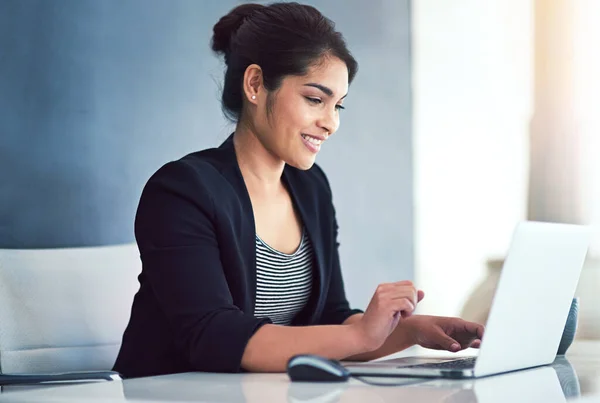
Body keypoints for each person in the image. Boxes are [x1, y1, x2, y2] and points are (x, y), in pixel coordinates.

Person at [113, 2, 484, 378]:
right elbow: (213, 336)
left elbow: (331, 321)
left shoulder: (311, 188)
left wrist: (409, 331)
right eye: (315, 99)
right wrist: (361, 335)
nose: (331, 123)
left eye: (338, 106)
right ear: (255, 84)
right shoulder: (181, 192)